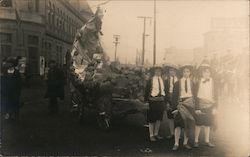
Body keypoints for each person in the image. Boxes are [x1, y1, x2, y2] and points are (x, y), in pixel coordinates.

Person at [171, 64, 196, 150]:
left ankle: (185, 142)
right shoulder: (177, 83)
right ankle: (176, 143)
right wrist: (174, 108)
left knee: (188, 125)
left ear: (190, 73)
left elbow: (194, 96)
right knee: (178, 125)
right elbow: (174, 96)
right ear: (182, 73)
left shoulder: (192, 83)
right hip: (180, 104)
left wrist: (196, 107)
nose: (186, 73)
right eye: (184, 71)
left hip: (190, 105)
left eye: (188, 71)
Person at [194, 64, 218, 148]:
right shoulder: (198, 82)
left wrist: (215, 107)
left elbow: (216, 95)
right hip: (200, 105)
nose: (206, 74)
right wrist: (196, 108)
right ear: (202, 73)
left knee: (208, 123)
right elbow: (195, 96)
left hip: (210, 105)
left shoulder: (213, 82)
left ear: (210, 73)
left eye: (208, 72)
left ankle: (207, 140)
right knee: (198, 123)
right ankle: (196, 141)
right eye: (204, 72)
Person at [144, 66, 166, 142]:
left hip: (161, 100)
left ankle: (156, 134)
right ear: (154, 72)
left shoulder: (163, 80)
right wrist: (146, 101)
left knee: (159, 118)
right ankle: (151, 135)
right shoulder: (150, 80)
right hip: (152, 100)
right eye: (156, 71)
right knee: (151, 119)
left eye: (159, 71)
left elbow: (164, 90)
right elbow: (146, 91)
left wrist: (165, 100)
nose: (158, 72)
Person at [164, 65, 179, 139]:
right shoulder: (166, 80)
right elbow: (165, 91)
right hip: (169, 99)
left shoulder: (179, 80)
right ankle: (172, 133)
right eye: (170, 70)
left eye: (173, 71)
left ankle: (177, 134)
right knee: (170, 117)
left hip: (177, 100)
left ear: (176, 72)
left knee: (177, 117)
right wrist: (166, 102)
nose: (172, 72)